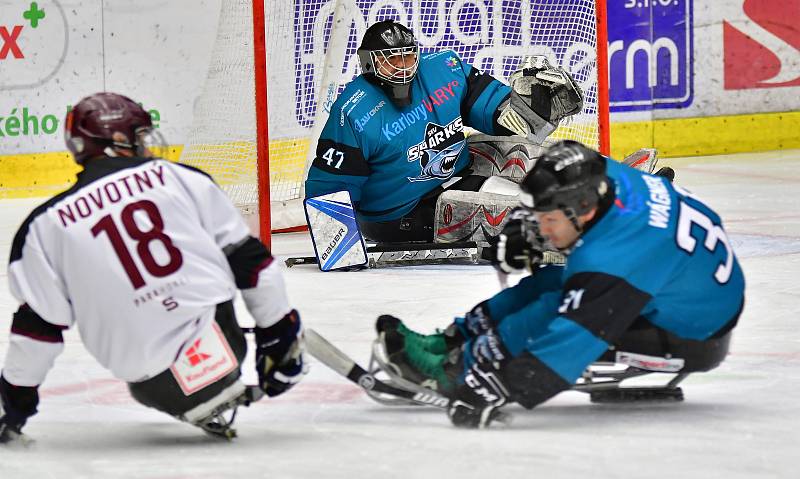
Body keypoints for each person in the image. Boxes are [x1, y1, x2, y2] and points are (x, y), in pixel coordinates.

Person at [0, 93, 307, 443]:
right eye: (140, 135)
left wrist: (14, 405)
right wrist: (279, 335)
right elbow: (255, 266)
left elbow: (37, 331)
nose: (146, 143)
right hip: (223, 346)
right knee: (221, 257)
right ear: (118, 141)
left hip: (148, 383)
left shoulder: (43, 226)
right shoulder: (180, 178)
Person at [372, 140, 745, 428]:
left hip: (692, 334)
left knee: (557, 304)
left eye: (549, 220)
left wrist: (496, 385)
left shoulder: (616, 259)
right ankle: (451, 341)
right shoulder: (606, 178)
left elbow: (566, 345)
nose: (543, 228)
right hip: (679, 292)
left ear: (581, 208)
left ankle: (456, 371)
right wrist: (524, 224)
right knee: (551, 279)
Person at [304, 20, 584, 244]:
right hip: (396, 216)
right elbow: (330, 185)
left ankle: (592, 186)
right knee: (504, 203)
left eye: (408, 56)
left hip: (452, 175)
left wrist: (533, 106)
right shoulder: (353, 111)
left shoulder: (443, 67)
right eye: (392, 61)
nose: (403, 67)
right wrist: (336, 245)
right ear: (369, 63)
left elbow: (494, 108)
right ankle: (572, 223)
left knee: (521, 150)